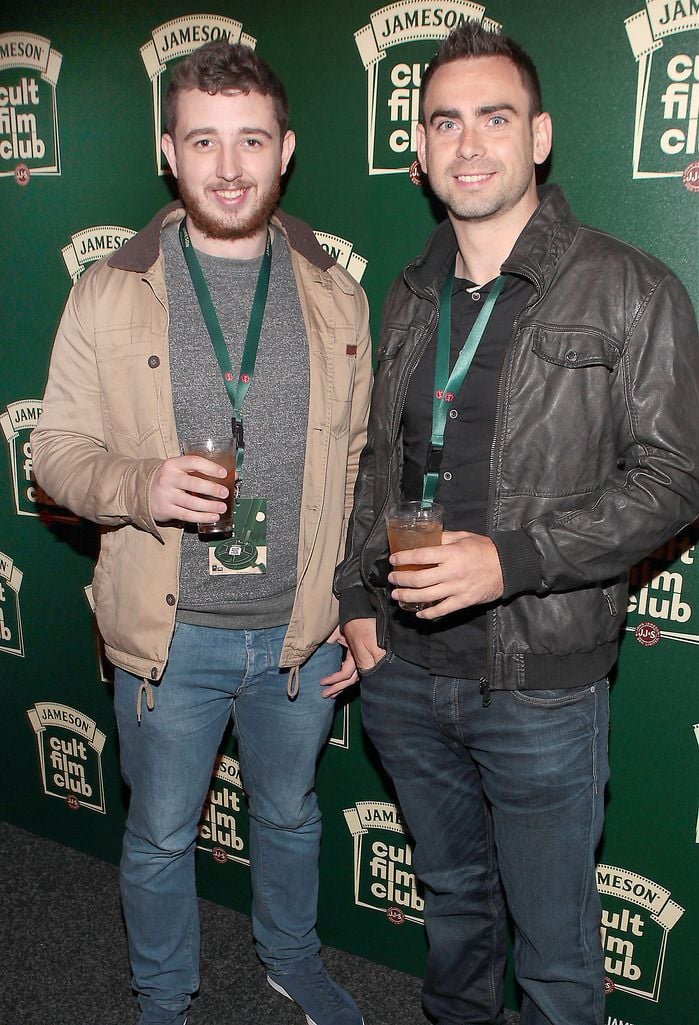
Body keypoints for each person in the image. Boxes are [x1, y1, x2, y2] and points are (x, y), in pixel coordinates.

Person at [334, 22, 699, 1025]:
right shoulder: (407, 295)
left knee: (555, 951)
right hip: (406, 674)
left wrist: (514, 560)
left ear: (538, 136)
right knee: (453, 916)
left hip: (539, 684)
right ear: (418, 152)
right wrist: (357, 603)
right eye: (445, 122)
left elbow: (676, 476)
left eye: (494, 117)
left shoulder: (630, 286)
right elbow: (377, 464)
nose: (469, 143)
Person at [33, 41, 370, 1025]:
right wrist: (143, 483)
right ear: (168, 153)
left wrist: (354, 607)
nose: (230, 166)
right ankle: (164, 994)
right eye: (205, 141)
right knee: (160, 835)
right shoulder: (110, 289)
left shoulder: (334, 293)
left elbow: (354, 471)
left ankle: (291, 958)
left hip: (296, 636)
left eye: (252, 141)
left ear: (287, 150)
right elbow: (54, 453)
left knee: (293, 814)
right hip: (167, 639)